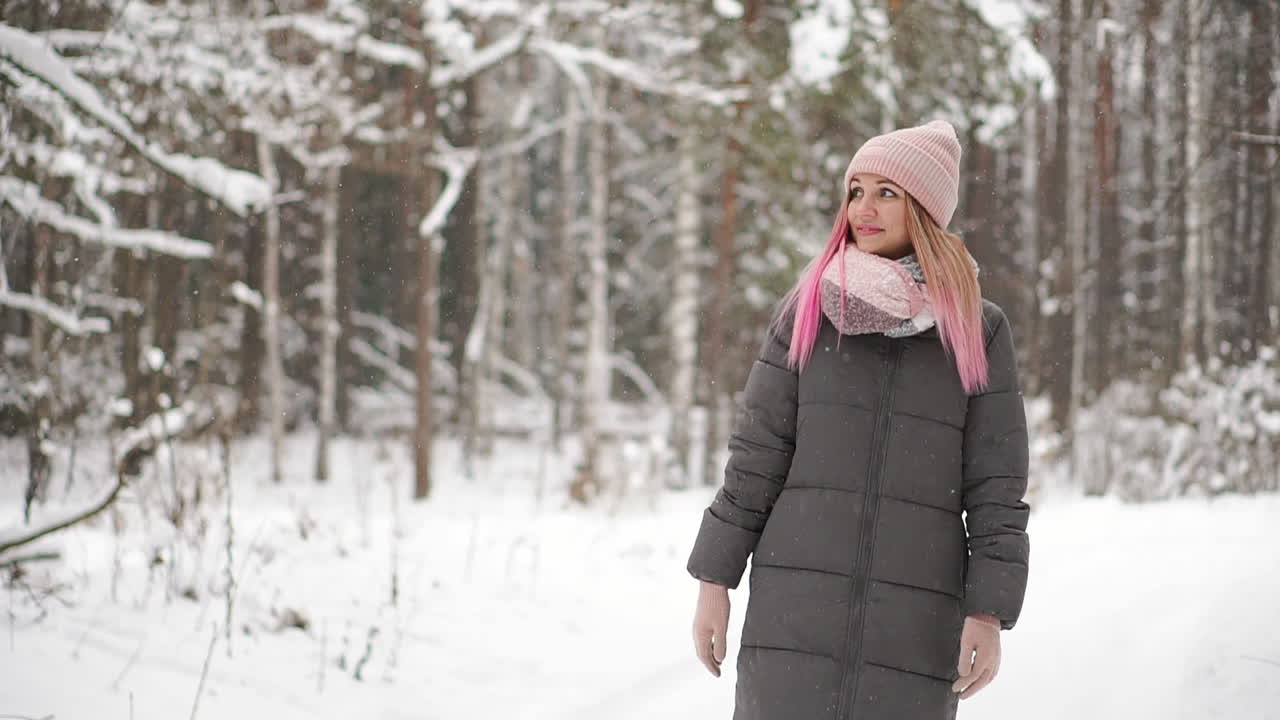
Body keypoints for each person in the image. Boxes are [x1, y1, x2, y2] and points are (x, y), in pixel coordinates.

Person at [686, 120, 1030, 720]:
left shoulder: (977, 329)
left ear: (923, 207)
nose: (863, 209)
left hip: (916, 623)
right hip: (796, 611)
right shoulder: (807, 311)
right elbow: (756, 458)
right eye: (856, 190)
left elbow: (997, 487)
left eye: (886, 192)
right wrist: (714, 581)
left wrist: (988, 612)